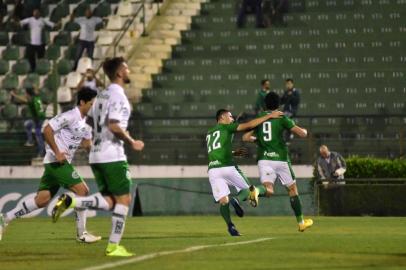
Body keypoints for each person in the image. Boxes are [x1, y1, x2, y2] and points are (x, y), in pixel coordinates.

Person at [52, 57, 144, 257]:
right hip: (112, 154)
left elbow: (90, 118)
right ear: (119, 73)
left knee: (111, 201)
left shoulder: (101, 96)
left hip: (96, 154)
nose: (129, 71)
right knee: (124, 200)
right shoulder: (118, 97)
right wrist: (132, 141)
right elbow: (113, 124)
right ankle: (113, 246)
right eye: (127, 68)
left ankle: (72, 202)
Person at [0, 88, 100, 243]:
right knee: (83, 190)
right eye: (92, 104)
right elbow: (47, 130)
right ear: (82, 102)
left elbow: (88, 146)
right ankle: (82, 234)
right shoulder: (70, 116)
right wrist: (58, 151)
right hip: (56, 161)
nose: (94, 107)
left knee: (41, 200)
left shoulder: (86, 126)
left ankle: (5, 218)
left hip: (54, 163)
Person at [242, 92, 313, 232]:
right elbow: (301, 133)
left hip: (264, 159)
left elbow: (245, 138)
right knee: (292, 189)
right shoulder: (281, 117)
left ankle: (256, 191)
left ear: (264, 105)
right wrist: (304, 131)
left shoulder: (260, 118)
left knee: (268, 189)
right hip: (280, 159)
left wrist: (256, 138)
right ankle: (301, 223)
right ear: (279, 104)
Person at [207, 108, 283, 236]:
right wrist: (269, 116)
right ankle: (236, 199)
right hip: (228, 167)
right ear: (222, 118)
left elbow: (216, 150)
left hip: (213, 170)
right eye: (230, 116)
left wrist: (232, 152)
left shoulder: (209, 133)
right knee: (251, 191)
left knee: (223, 201)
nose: (232, 119)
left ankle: (230, 226)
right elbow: (249, 125)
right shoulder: (227, 128)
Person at [10, 87, 46, 157]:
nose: (25, 94)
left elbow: (24, 99)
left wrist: (14, 95)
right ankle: (30, 141)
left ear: (28, 94)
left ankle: (41, 152)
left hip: (38, 119)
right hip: (39, 118)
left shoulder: (32, 100)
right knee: (27, 124)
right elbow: (35, 93)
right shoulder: (36, 97)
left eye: (25, 93)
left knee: (38, 135)